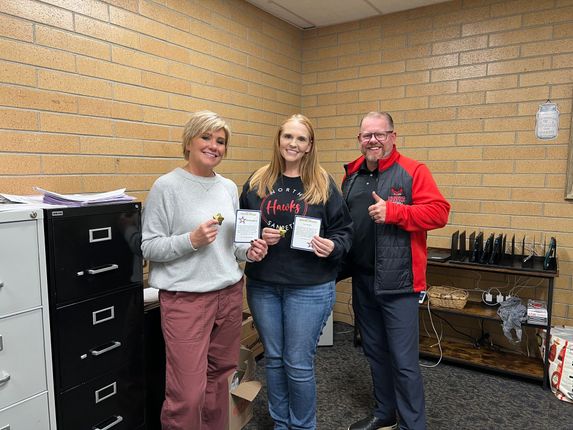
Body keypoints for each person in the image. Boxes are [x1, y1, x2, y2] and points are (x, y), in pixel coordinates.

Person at [141, 110, 268, 430]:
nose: (214, 146)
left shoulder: (227, 187)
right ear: (189, 141)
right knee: (188, 393)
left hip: (227, 294)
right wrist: (191, 240)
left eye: (221, 141)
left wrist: (250, 251)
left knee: (221, 381)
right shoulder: (166, 187)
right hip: (186, 299)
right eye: (206, 137)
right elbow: (148, 247)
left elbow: (233, 247)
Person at [240, 113, 353, 430]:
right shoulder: (258, 180)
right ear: (278, 140)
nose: (293, 143)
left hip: (309, 288)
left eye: (301, 138)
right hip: (263, 285)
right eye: (288, 136)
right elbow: (243, 230)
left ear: (309, 145)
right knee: (273, 360)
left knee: (298, 364)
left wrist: (332, 246)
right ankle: (281, 423)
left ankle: (302, 426)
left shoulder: (322, 182)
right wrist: (257, 239)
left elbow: (345, 231)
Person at [341, 112, 450, 430]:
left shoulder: (413, 171)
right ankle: (385, 412)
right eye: (366, 135)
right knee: (374, 352)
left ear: (393, 136)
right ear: (359, 139)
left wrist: (396, 212)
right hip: (363, 279)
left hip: (399, 282)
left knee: (403, 362)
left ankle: (413, 425)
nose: (372, 140)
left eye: (379, 134)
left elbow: (439, 212)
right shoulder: (352, 176)